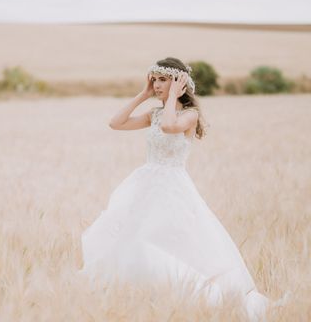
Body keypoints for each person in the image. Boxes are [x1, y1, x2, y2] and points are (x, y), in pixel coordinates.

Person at [78, 57, 290, 321]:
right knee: (135, 240)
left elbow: (169, 127)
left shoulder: (190, 115)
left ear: (179, 83)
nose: (156, 85)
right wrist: (142, 95)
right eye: (154, 79)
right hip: (145, 185)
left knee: (170, 241)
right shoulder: (154, 113)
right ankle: (145, 299)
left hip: (172, 188)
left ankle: (192, 299)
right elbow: (115, 123)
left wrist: (171, 99)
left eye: (163, 80)